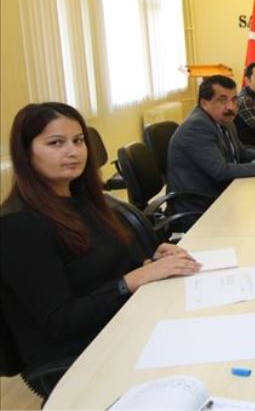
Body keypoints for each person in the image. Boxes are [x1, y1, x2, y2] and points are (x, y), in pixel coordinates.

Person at [0, 103, 201, 396]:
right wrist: (131, 281)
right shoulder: (19, 225)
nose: (73, 151)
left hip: (122, 324)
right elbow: (61, 321)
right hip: (84, 358)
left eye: (78, 140)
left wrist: (149, 262)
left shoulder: (84, 200)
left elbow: (103, 268)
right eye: (56, 143)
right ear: (26, 152)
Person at [168, 75, 255, 223]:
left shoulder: (223, 119)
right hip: (200, 208)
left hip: (224, 194)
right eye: (222, 100)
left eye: (234, 99)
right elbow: (220, 171)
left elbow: (240, 152)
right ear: (204, 103)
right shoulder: (196, 126)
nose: (231, 107)